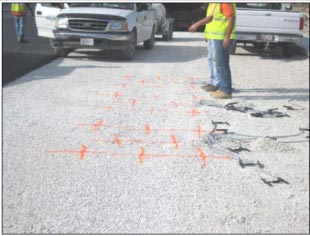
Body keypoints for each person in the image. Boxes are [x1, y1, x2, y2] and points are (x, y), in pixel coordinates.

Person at [189, 3, 236, 99]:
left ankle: (226, 91)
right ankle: (222, 88)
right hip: (217, 37)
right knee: (219, 63)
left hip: (221, 38)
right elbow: (212, 19)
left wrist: (227, 36)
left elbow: (231, 18)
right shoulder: (215, 4)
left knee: (222, 64)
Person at [189, 3, 218, 92]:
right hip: (211, 36)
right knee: (210, 60)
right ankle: (213, 82)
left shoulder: (217, 4)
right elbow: (210, 23)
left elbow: (211, 18)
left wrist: (197, 24)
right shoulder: (211, 5)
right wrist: (206, 34)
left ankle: (217, 83)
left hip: (217, 36)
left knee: (215, 60)